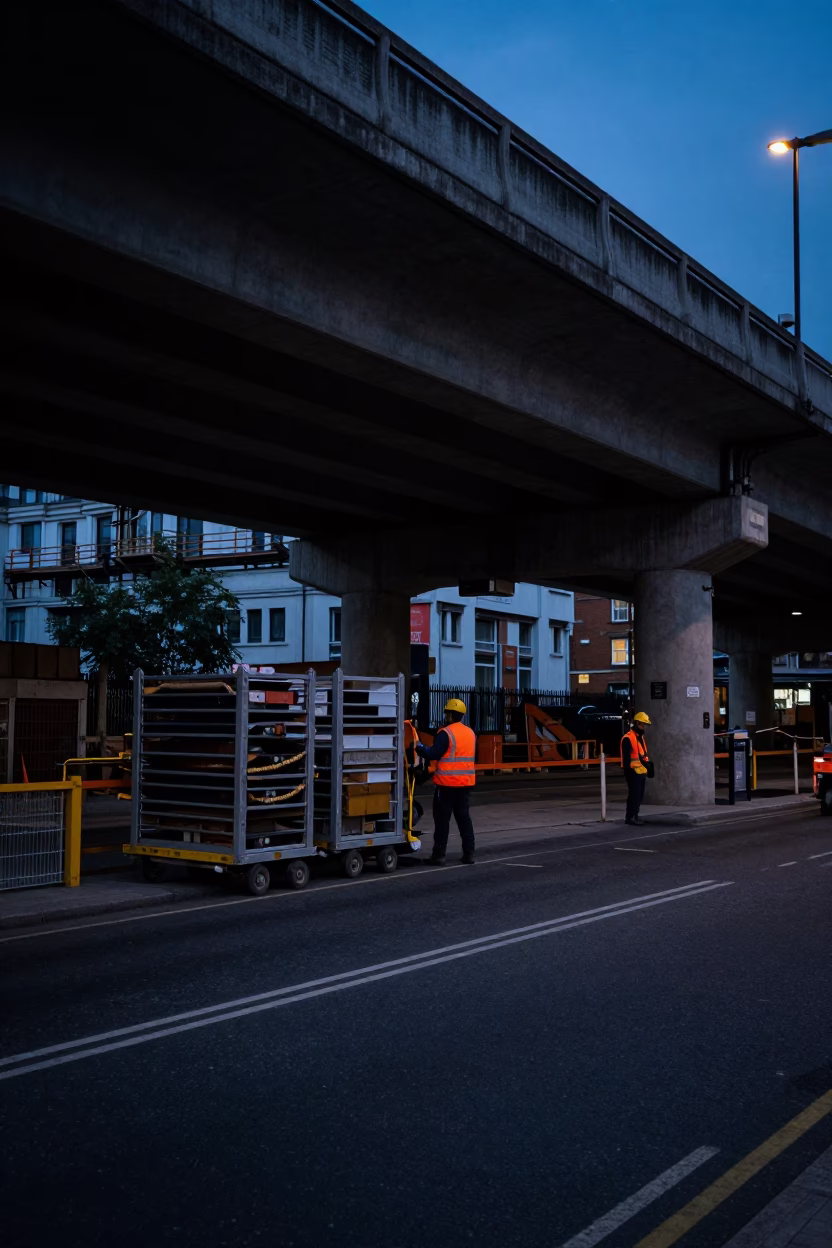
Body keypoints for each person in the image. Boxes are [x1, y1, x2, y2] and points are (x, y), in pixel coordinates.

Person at [415, 698, 476, 865]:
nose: (445, 716)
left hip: (447, 784)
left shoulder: (446, 733)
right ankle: (469, 854)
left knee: (442, 820)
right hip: (465, 784)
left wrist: (418, 747)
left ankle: (439, 855)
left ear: (450, 714)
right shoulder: (470, 733)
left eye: (446, 713)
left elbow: (433, 754)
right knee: (464, 819)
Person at [621, 711, 652, 825]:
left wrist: (648, 766)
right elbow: (627, 758)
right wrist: (629, 771)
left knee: (639, 796)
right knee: (634, 795)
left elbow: (642, 755)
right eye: (642, 724)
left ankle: (635, 815)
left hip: (641, 771)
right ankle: (630, 817)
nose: (644, 727)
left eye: (645, 725)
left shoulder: (640, 737)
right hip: (633, 772)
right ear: (637, 723)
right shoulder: (628, 738)